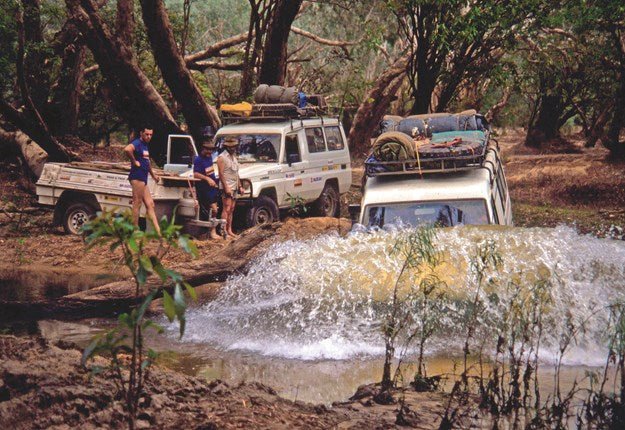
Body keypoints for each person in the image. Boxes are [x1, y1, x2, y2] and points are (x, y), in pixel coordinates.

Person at [124, 125, 161, 236]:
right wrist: (134, 161)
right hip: (137, 176)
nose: (149, 136)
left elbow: (147, 162)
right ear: (141, 133)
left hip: (143, 177)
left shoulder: (145, 145)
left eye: (150, 135)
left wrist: (153, 175)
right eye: (146, 134)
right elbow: (127, 149)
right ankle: (135, 231)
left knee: (150, 204)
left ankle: (159, 233)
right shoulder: (137, 143)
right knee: (137, 203)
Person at [193, 138, 221, 239]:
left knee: (215, 210)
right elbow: (195, 174)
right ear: (203, 149)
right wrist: (207, 179)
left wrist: (214, 181)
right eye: (208, 149)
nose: (210, 152)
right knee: (212, 209)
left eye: (211, 150)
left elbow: (210, 172)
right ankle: (210, 232)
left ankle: (212, 231)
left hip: (212, 188)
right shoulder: (198, 160)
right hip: (203, 189)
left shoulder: (209, 159)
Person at [217, 136, 244, 238]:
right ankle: (223, 231)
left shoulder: (234, 158)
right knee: (226, 208)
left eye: (234, 146)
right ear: (226, 147)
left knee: (232, 209)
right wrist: (226, 187)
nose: (232, 148)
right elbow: (221, 174)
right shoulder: (222, 157)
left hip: (234, 186)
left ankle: (229, 229)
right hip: (227, 186)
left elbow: (236, 174)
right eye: (230, 147)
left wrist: (240, 186)